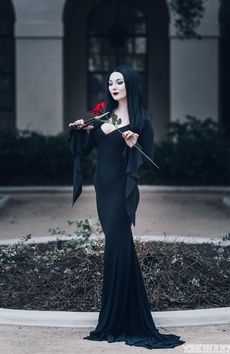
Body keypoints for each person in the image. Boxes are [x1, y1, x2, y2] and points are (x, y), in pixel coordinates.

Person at [68, 65, 185, 349]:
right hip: (102, 189)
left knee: (118, 246)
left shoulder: (142, 121)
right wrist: (79, 131)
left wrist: (133, 144)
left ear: (130, 84)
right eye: (110, 82)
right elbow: (83, 151)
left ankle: (117, 318)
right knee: (118, 247)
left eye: (119, 82)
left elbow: (148, 160)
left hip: (122, 190)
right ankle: (122, 314)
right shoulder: (103, 117)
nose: (114, 86)